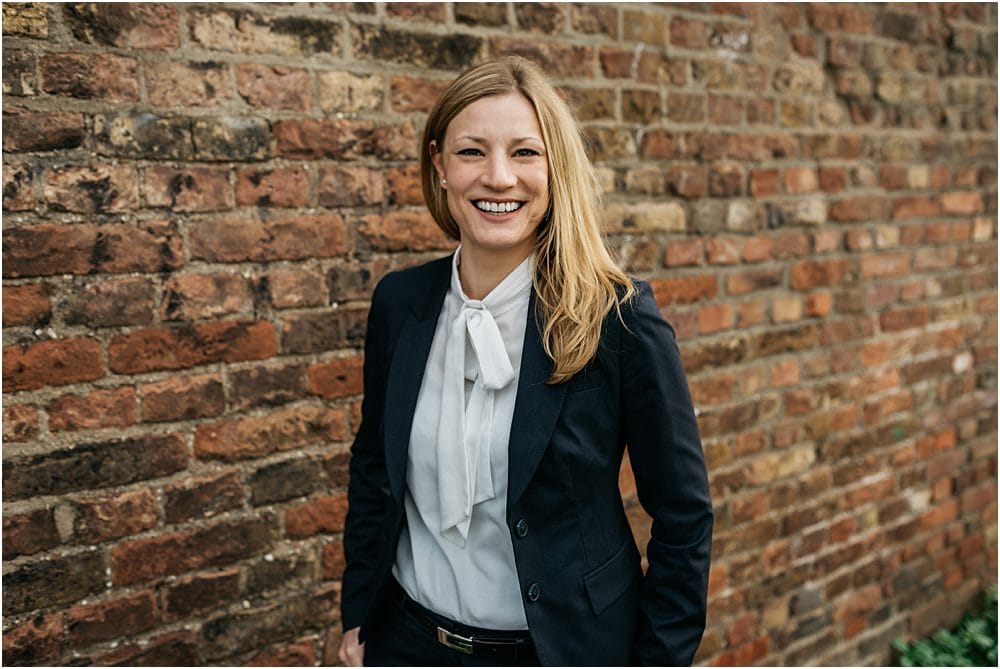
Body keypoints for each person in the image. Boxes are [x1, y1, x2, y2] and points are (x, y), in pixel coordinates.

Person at [338, 55, 712, 667]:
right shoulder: (399, 304)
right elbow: (374, 467)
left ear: (554, 167)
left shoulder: (618, 318)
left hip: (557, 652)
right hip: (406, 641)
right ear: (439, 164)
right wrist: (359, 613)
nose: (498, 177)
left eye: (524, 153)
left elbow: (683, 515)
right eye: (471, 152)